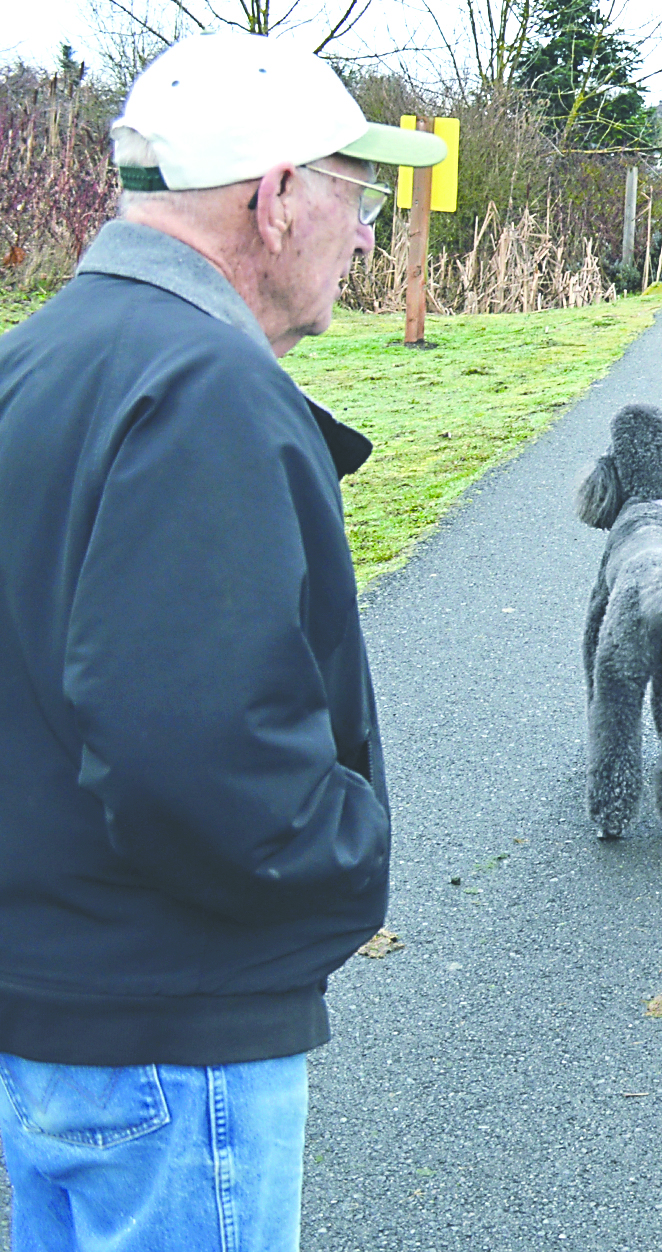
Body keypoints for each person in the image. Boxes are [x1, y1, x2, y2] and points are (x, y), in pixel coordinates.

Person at [0, 33, 446, 1251]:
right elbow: (191, 750)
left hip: (48, 1006)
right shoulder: (206, 389)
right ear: (275, 196)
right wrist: (349, 856)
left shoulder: (37, 358)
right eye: (353, 196)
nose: (363, 236)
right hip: (166, 1031)